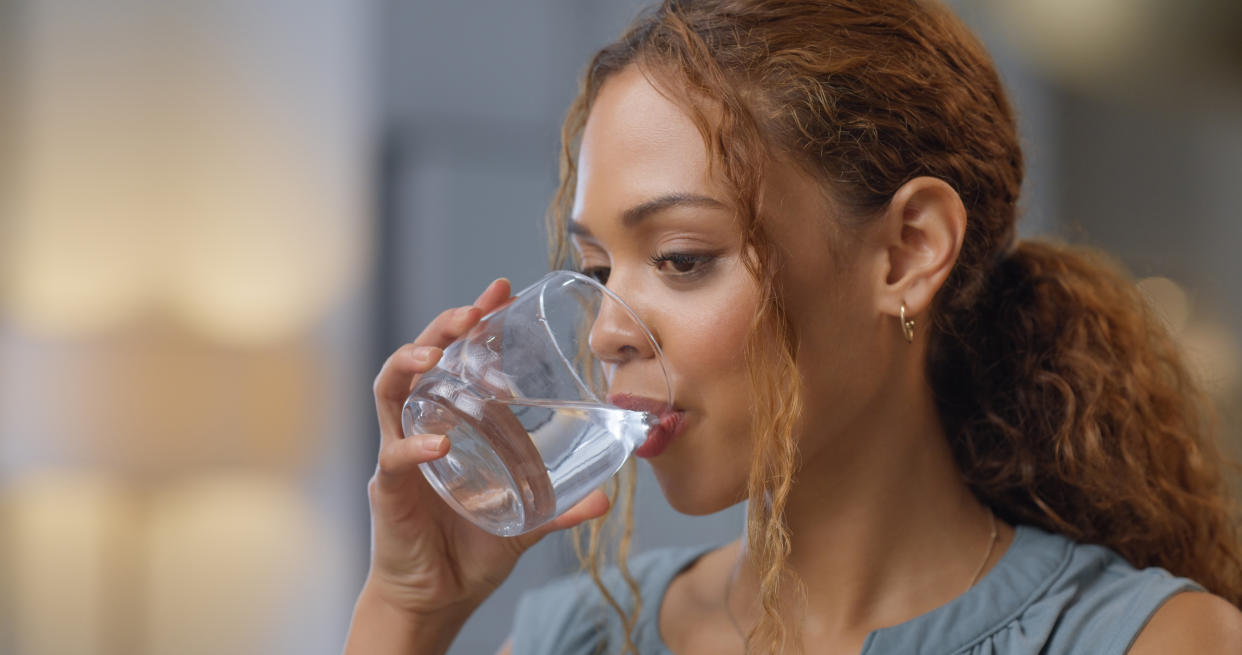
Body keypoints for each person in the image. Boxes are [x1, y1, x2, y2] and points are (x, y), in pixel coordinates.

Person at [345, 1, 1242, 653]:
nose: (604, 331)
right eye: (594, 269)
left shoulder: (1147, 640)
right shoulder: (574, 638)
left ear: (905, 252)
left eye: (683, 257)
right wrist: (410, 608)